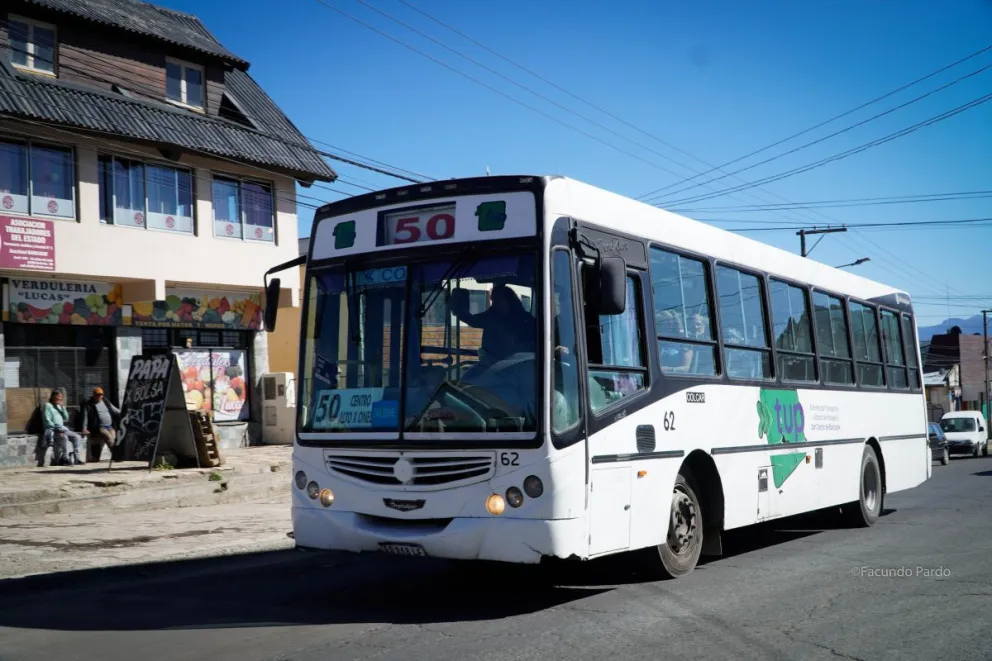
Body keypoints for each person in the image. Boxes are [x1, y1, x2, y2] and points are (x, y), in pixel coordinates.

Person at [449, 284, 535, 366]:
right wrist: (458, 310)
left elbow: (531, 347)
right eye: (493, 300)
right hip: (491, 366)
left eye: (497, 299)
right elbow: (473, 320)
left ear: (508, 300)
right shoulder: (491, 316)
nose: (494, 303)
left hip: (516, 366)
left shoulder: (525, 320)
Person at [43, 390, 84, 465]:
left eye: (61, 398)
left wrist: (62, 408)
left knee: (77, 437)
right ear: (53, 397)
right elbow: (47, 420)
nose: (60, 399)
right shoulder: (48, 405)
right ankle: (64, 458)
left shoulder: (59, 406)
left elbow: (66, 418)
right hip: (54, 430)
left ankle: (77, 458)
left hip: (62, 429)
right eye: (58, 397)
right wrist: (56, 428)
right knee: (64, 437)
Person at [81, 387, 120, 462]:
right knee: (110, 440)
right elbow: (85, 417)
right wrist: (84, 428)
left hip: (110, 426)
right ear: (94, 395)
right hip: (100, 427)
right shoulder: (89, 405)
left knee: (114, 440)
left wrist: (123, 413)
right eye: (97, 395)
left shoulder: (105, 401)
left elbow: (114, 409)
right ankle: (117, 456)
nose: (99, 396)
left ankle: (115, 456)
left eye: (101, 395)